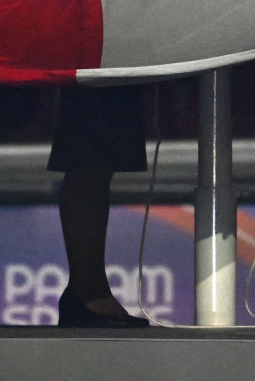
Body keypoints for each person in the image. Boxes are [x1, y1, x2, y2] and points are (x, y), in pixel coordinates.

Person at [49, 83, 151, 327]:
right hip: (94, 63)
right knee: (90, 157)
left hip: (113, 63)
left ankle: (91, 292)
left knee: (98, 161)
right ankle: (88, 294)